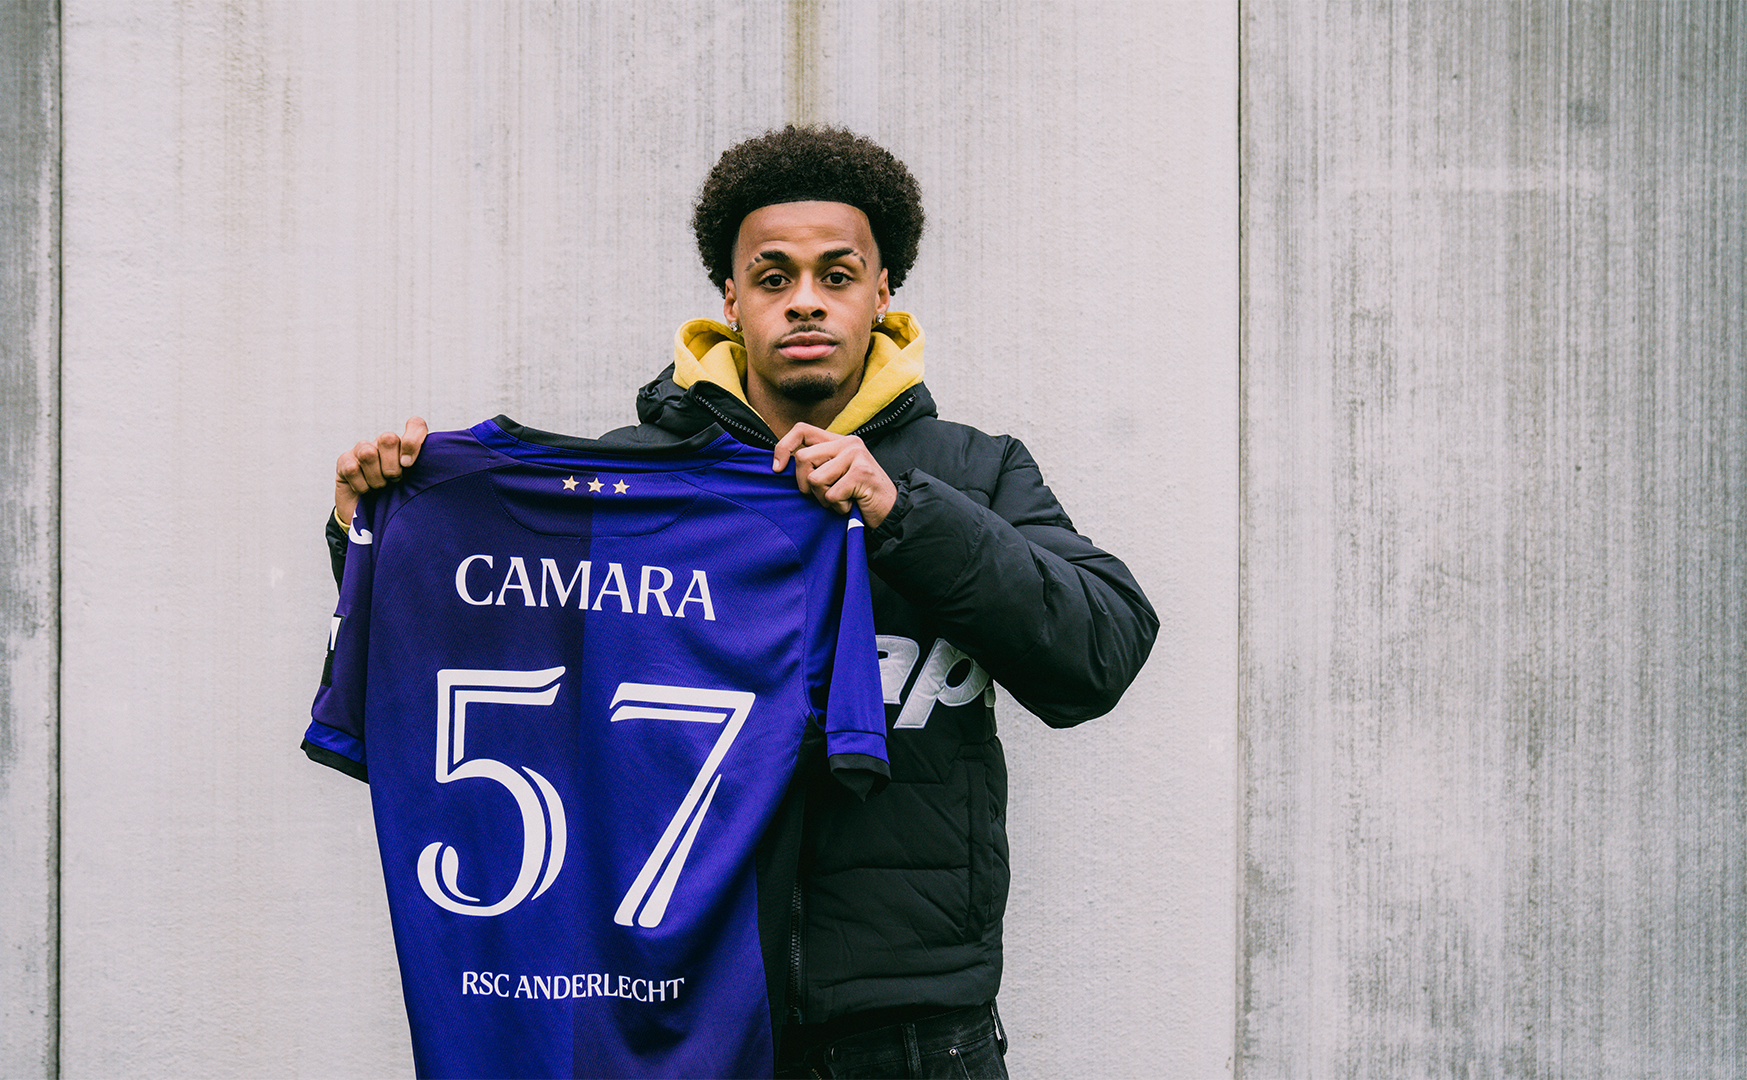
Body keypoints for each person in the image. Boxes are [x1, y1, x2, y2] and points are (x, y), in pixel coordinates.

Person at [326, 126, 1158, 1079]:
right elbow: (476, 662)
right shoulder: (633, 482)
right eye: (773, 277)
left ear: (884, 294)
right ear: (731, 300)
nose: (805, 299)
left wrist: (900, 512)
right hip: (673, 1014)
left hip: (912, 1026)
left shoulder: (971, 473)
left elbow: (1101, 653)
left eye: (837, 275)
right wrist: (372, 536)